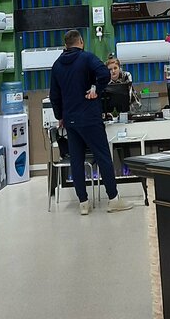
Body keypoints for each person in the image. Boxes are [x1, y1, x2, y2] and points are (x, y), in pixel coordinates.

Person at [49, 30, 133, 215]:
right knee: (103, 157)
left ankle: (83, 203)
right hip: (89, 117)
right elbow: (104, 73)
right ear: (81, 41)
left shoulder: (57, 65)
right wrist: (96, 88)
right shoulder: (86, 58)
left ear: (66, 44)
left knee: (76, 161)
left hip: (70, 120)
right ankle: (113, 199)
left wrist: (60, 116)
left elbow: (54, 95)